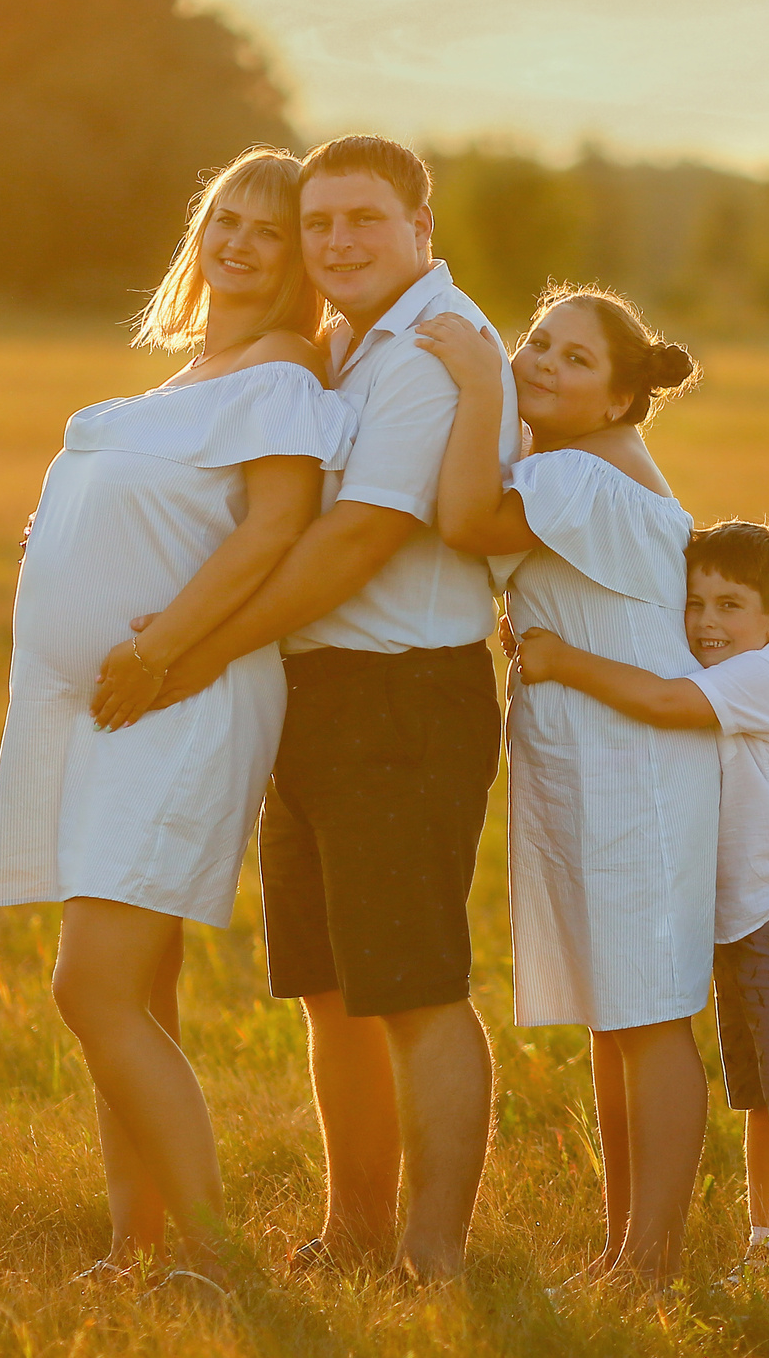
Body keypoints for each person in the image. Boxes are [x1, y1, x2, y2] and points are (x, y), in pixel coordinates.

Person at [0, 146, 353, 1295]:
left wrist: (159, 641)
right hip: (99, 705)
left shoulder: (280, 376)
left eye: (268, 231)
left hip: (177, 695)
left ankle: (211, 1260)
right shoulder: (194, 372)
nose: (236, 243)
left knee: (89, 988)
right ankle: (136, 1247)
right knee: (139, 993)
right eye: (223, 221)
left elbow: (273, 528)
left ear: (299, 264)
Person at [142, 137, 519, 1284]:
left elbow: (357, 540)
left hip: (401, 696)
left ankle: (432, 1254)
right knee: (329, 991)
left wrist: (200, 650)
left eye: (365, 219)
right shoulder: (345, 345)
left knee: (413, 988)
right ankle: (353, 1229)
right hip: (315, 697)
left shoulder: (427, 355)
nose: (338, 243)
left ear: (421, 229)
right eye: (320, 225)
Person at [417, 287, 720, 1292]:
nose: (542, 362)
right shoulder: (568, 466)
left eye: (576, 360)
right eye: (537, 342)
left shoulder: (585, 475)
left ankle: (652, 1263)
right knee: (615, 1012)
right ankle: (622, 1255)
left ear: (621, 399)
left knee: (647, 1013)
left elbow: (462, 520)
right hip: (593, 760)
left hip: (631, 765)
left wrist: (471, 381)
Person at [514, 521, 769, 1292]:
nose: (708, 621)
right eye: (696, 602)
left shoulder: (765, 674)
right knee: (768, 1100)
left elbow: (664, 699)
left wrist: (561, 659)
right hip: (751, 918)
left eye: (730, 605)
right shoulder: (739, 665)